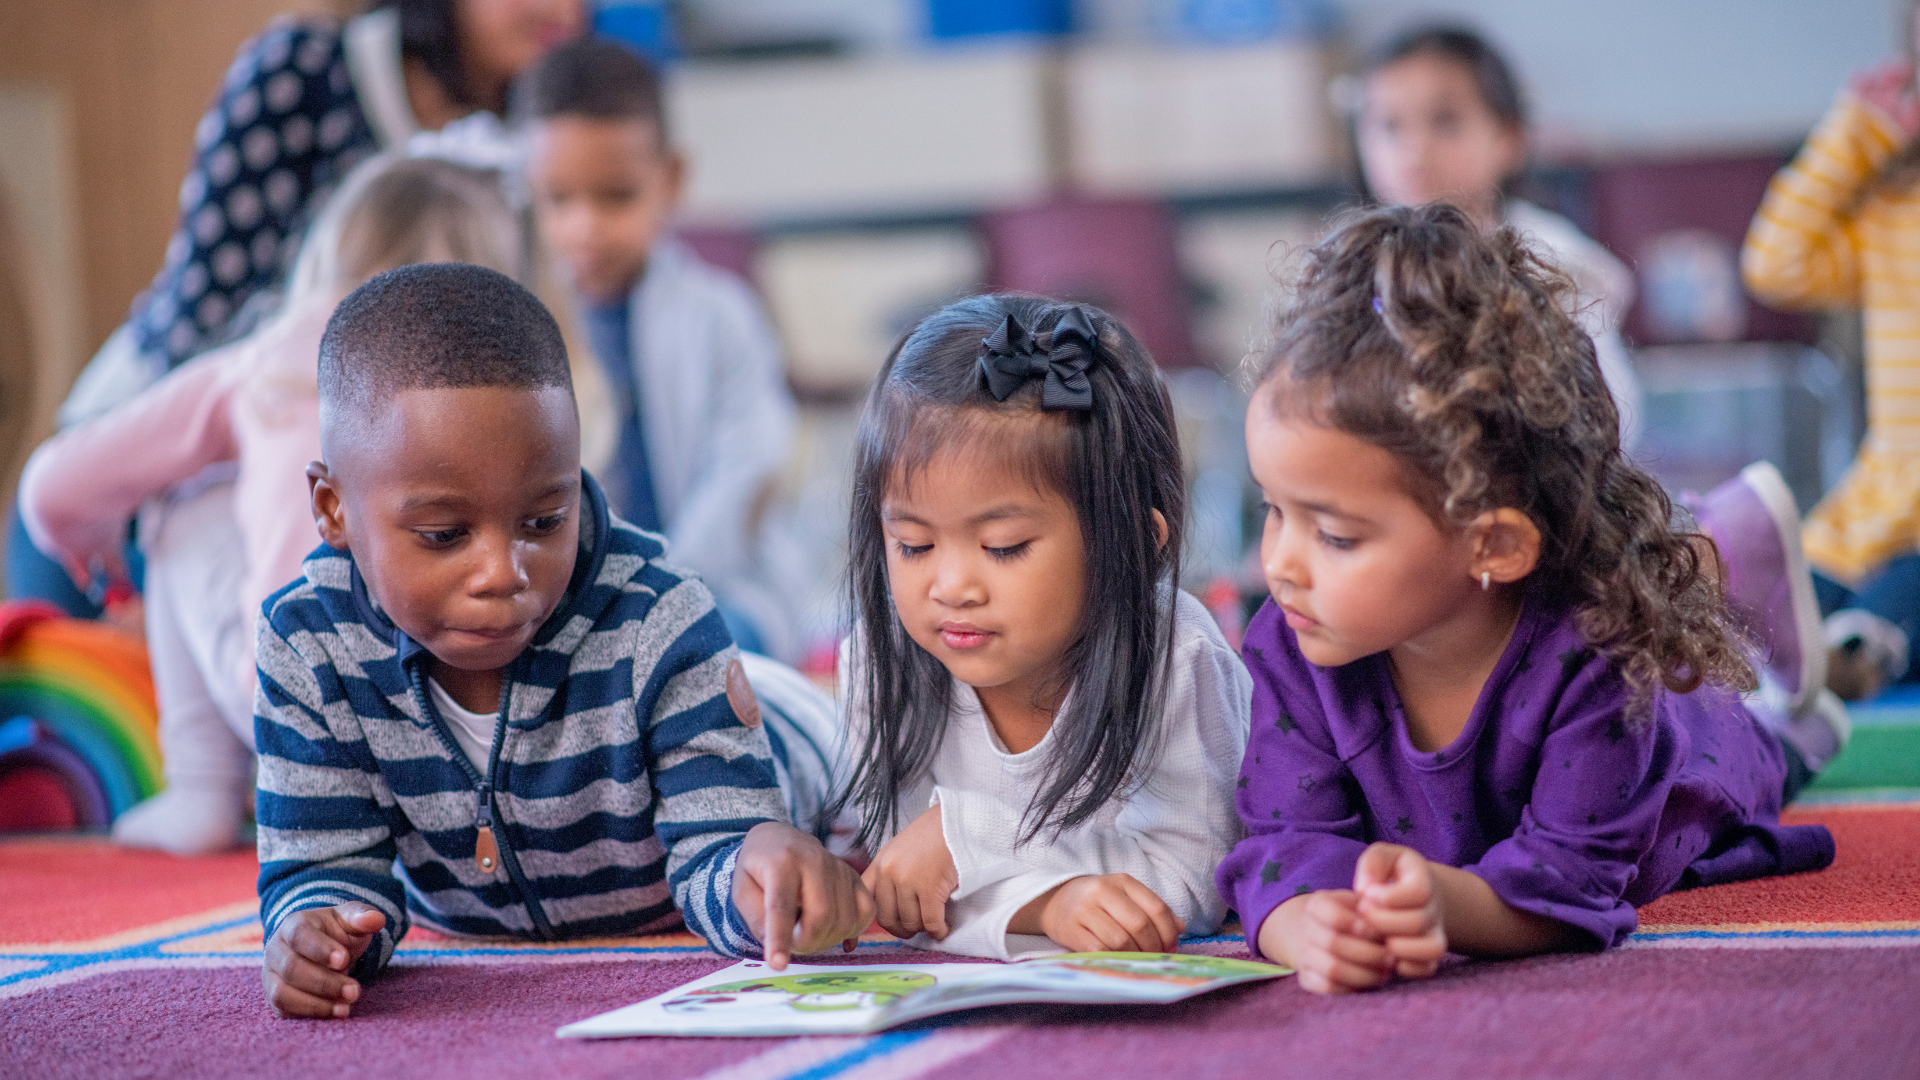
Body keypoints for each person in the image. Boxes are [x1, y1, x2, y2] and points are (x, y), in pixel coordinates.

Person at [1216, 205, 1839, 996]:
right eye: (1273, 511)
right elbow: (1283, 838)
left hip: (1697, 747)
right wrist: (1309, 926)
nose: (1279, 565)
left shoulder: (1597, 657)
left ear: (1495, 545)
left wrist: (1446, 905)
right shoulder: (1293, 640)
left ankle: (1794, 681)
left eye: (1334, 535)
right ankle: (1721, 559)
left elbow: (1572, 879)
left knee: (1774, 747)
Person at [253, 263, 869, 1019]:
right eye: (445, 535)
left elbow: (720, 843)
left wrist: (758, 865)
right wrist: (317, 935)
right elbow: (325, 867)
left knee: (878, 781)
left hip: (796, 738)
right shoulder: (309, 644)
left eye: (544, 521)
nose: (503, 573)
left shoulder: (660, 617)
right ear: (332, 509)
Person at [5, 0, 586, 616]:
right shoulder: (308, 75)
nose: (561, 10)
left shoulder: (533, 124)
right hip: (147, 493)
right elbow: (199, 313)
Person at [20, 155, 525, 856]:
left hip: (295, 701)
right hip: (466, 713)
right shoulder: (521, 394)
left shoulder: (275, 361)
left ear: (327, 253)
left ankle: (202, 788)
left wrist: (102, 551)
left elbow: (53, 488)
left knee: (182, 501)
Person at [830, 295, 1252, 962]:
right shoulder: (877, 666)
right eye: (913, 546)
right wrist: (1048, 905)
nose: (952, 587)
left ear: (1132, 545)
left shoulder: (1176, 655)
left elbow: (1195, 881)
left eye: (1002, 547)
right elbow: (909, 891)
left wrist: (971, 839)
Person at [514, 37, 803, 660]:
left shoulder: (720, 313)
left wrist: (659, 588)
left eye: (616, 196)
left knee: (704, 653)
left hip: (719, 589)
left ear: (670, 180)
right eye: (557, 200)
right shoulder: (520, 323)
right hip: (568, 605)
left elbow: (746, 465)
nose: (583, 227)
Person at [1351, 24, 1643, 452]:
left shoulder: (1549, 259)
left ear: (1508, 137)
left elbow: (1611, 417)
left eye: (1444, 121)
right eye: (1390, 126)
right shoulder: (1359, 263)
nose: (1414, 150)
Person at [1743, 0, 1920, 702]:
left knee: (1885, 614)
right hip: (1873, 509)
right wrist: (1854, 138)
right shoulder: (1894, 210)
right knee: (1770, 624)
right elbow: (1775, 265)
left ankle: (1858, 654)